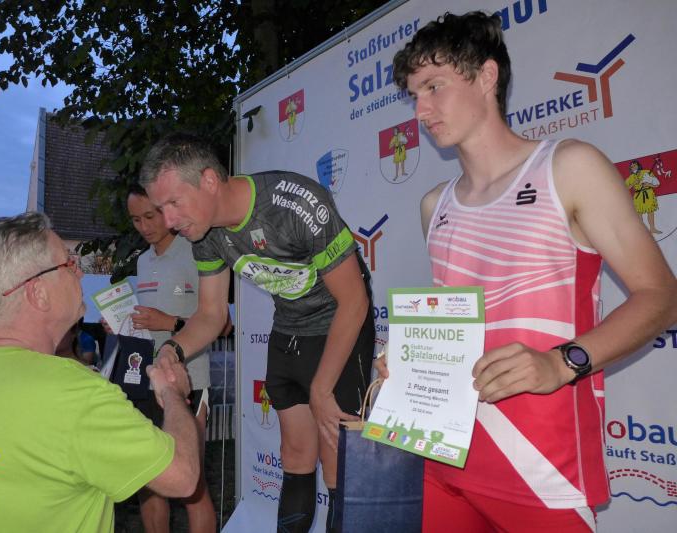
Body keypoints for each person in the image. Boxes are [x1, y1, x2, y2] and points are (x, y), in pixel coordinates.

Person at [383, 11, 677, 532]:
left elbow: (661, 296)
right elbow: (457, 326)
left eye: (434, 87)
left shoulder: (568, 167)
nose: (421, 111)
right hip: (443, 457)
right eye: (414, 95)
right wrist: (410, 362)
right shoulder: (435, 204)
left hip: (541, 466)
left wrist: (562, 363)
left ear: (487, 76)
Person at [0, 212, 200, 533]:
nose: (79, 273)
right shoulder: (74, 395)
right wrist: (173, 393)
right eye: (68, 264)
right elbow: (183, 477)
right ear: (38, 293)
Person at [140, 133, 375, 533]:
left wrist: (322, 389)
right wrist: (172, 351)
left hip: (339, 328)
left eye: (174, 203)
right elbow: (211, 315)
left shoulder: (294, 204)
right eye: (161, 209)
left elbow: (354, 301)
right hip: (289, 328)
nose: (169, 221)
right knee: (295, 455)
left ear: (209, 180)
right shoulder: (205, 233)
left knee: (338, 463)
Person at [127, 183, 216, 533]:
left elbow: (222, 323)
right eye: (136, 220)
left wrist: (168, 323)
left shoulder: (195, 251)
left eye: (150, 216)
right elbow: (146, 321)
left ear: (166, 210)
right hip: (146, 380)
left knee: (192, 487)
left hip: (188, 380)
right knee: (149, 482)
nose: (144, 226)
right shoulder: (142, 260)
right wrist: (123, 323)